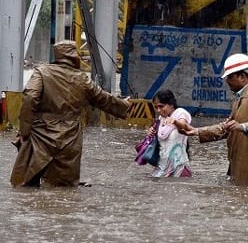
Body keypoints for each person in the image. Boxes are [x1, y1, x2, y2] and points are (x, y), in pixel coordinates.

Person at [10, 40, 131, 187]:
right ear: (75, 55)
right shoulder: (82, 78)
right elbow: (103, 98)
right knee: (63, 187)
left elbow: (30, 98)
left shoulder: (42, 72)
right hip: (70, 136)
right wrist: (125, 105)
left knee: (25, 182)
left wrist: (24, 131)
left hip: (40, 133)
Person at [177, 53, 248, 185]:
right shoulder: (239, 98)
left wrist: (243, 127)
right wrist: (196, 131)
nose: (227, 81)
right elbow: (226, 127)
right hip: (240, 164)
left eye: (230, 77)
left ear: (242, 77)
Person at [149, 89, 192, 177]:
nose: (158, 110)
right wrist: (152, 131)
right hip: (161, 167)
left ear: (171, 104)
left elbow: (184, 125)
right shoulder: (162, 119)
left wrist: (175, 122)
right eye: (156, 107)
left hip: (179, 168)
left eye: (161, 106)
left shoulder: (181, 113)